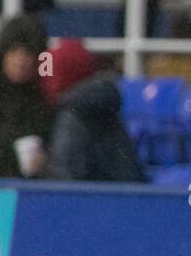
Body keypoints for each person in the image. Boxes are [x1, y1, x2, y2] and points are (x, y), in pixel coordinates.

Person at [40, 39, 145, 183]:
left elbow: (64, 180)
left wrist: (42, 169)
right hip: (117, 197)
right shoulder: (103, 105)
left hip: (87, 201)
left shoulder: (72, 115)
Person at [0, 15, 53, 179]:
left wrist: (45, 162)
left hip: (25, 190)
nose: (20, 61)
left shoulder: (40, 101)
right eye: (14, 51)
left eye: (28, 54)